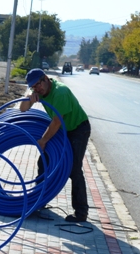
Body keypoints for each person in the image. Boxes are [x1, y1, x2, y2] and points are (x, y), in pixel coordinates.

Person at [20, 68, 92, 222]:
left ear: (46, 79)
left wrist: (43, 140)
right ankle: (39, 200)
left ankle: (81, 212)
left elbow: (57, 121)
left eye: (38, 84)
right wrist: (30, 99)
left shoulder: (60, 92)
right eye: (33, 87)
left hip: (78, 129)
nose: (37, 89)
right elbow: (22, 110)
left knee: (73, 168)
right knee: (44, 162)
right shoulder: (39, 92)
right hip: (62, 130)